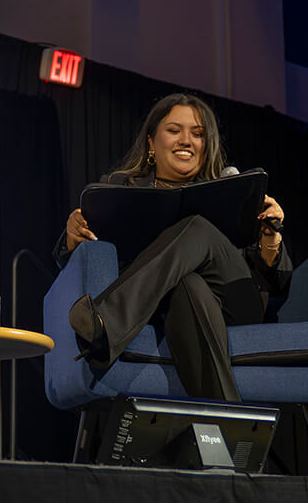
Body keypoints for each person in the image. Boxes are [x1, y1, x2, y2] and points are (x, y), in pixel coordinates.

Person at [55, 93, 293, 402]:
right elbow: (82, 259)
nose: (186, 140)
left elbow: (277, 286)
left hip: (234, 304)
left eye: (197, 133)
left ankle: (106, 320)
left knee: (196, 226)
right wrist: (73, 237)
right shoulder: (121, 189)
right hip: (171, 311)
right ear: (152, 142)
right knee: (188, 285)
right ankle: (229, 430)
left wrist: (270, 239)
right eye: (174, 130)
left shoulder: (230, 190)